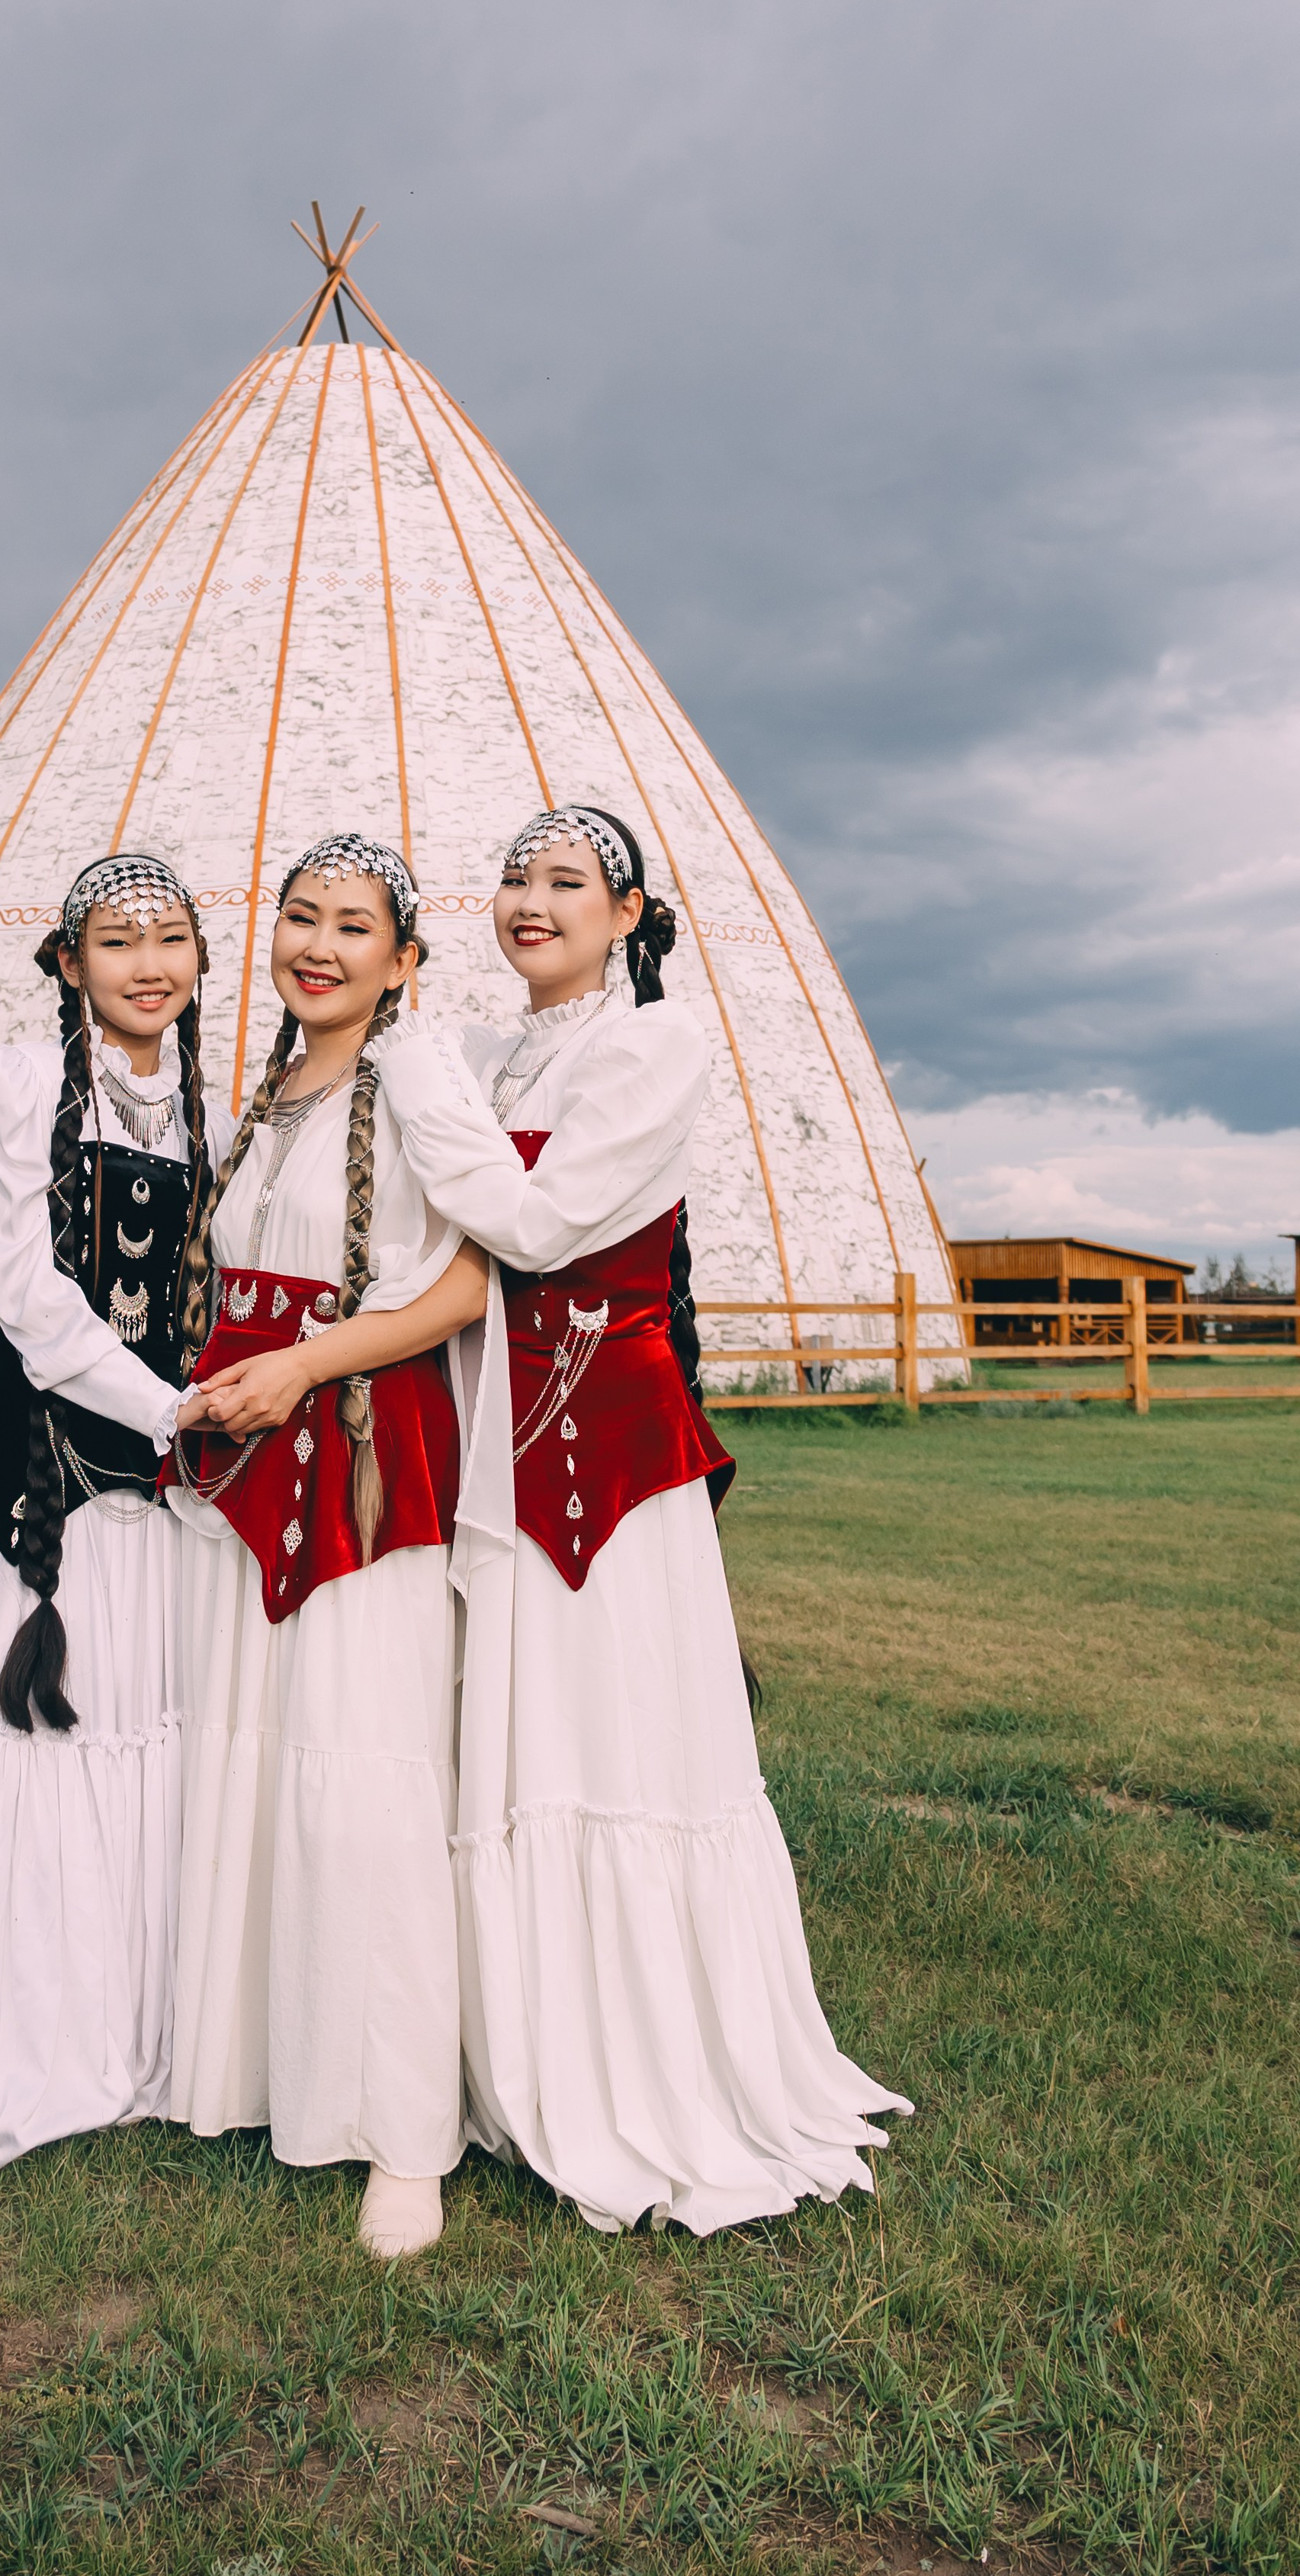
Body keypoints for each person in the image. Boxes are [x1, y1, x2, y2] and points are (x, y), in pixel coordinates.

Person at [370, 804, 910, 2235]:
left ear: (625, 917)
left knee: (609, 1731)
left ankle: (642, 2065)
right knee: (504, 1734)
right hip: (490, 1441)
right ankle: (508, 2053)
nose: (530, 901)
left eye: (567, 883)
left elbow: (539, 1231)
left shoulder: (652, 1048)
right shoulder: (485, 1054)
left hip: (605, 1447)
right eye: (513, 878)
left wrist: (413, 1067)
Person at [162, 834, 489, 2260]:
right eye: (301, 916)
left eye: (357, 926)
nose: (322, 944)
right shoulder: (274, 1087)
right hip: (245, 1441)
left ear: (404, 961)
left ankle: (401, 2130)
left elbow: (474, 1278)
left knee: (360, 1775)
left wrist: (309, 1364)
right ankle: (258, 2069)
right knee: (250, 1749)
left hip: (357, 1439)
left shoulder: (418, 1076)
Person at [0, 852, 227, 2166]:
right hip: (38, 1465)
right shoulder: (18, 1084)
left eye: (173, 937)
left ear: (199, 960)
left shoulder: (212, 1113)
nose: (149, 963)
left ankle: (135, 2028)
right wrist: (170, 1413)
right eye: (118, 939)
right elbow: (26, 1301)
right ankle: (29, 2036)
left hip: (157, 1482)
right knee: (33, 1738)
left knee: (142, 1726)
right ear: (69, 963)